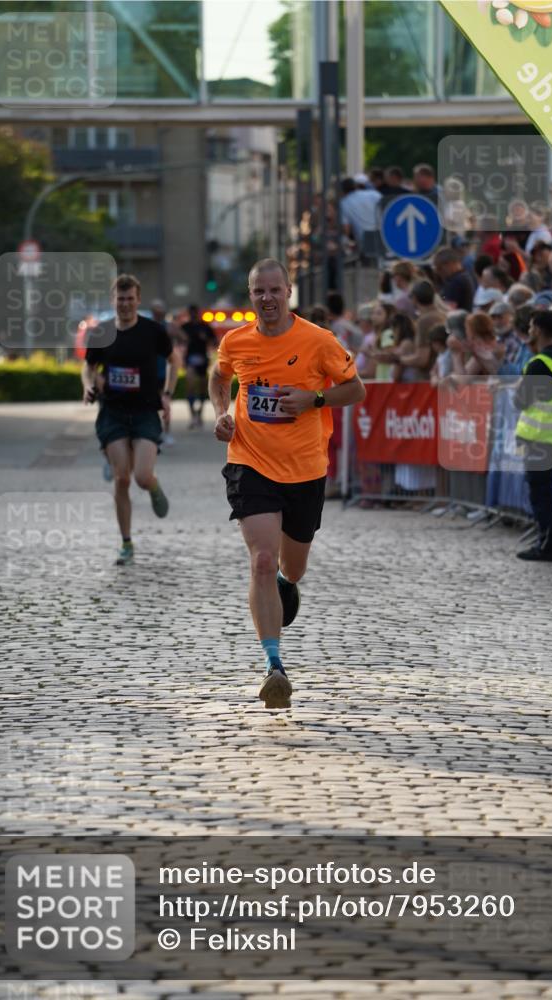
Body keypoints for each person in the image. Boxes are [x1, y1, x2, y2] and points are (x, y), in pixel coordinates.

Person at [208, 258, 365, 709]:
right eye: (259, 291)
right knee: (260, 559)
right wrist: (223, 412)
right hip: (249, 462)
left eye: (275, 290)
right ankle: (274, 666)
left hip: (304, 469)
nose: (267, 298)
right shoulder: (236, 341)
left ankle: (286, 581)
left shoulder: (318, 341)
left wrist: (314, 399)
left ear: (289, 291)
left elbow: (356, 390)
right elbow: (219, 379)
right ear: (250, 295)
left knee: (291, 568)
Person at [83, 274, 179, 566]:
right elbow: (88, 367)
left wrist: (168, 393)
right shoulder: (101, 332)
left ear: (138, 299)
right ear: (113, 301)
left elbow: (175, 361)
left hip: (146, 411)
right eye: (119, 299)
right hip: (112, 411)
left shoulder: (153, 331)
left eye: (129, 298)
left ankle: (153, 486)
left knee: (141, 476)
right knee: (122, 477)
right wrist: (87, 385)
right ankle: (126, 543)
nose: (124, 304)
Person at [514, 310, 552, 561]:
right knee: (544, 492)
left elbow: (522, 401)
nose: (528, 331)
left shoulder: (540, 363)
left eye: (530, 326)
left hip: (539, 435)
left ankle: (547, 545)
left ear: (538, 329)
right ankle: (547, 542)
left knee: (540, 494)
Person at [182, 304, 217, 428]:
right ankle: (192, 415)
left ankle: (200, 413)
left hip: (202, 358)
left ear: (198, 313)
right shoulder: (185, 327)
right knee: (190, 385)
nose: (193, 315)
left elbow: (215, 341)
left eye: (194, 313)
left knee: (203, 387)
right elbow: (178, 341)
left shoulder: (205, 326)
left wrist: (206, 339)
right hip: (190, 359)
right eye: (191, 313)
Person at [150, 298, 175, 446]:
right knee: (151, 404)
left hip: (164, 371)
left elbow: (179, 336)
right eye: (156, 311)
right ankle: (154, 432)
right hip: (150, 371)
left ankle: (166, 433)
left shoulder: (167, 327)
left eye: (161, 311)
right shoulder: (147, 327)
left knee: (165, 402)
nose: (159, 314)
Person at [490, 300, 532, 378]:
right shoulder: (494, 339)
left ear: (511, 317)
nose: (496, 322)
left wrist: (500, 359)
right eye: (493, 318)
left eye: (500, 317)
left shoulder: (521, 340)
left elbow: (519, 373)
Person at [339, 177, 381, 251]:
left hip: (364, 241)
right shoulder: (374, 194)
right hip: (384, 237)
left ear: (342, 191)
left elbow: (346, 228)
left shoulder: (344, 203)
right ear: (356, 186)